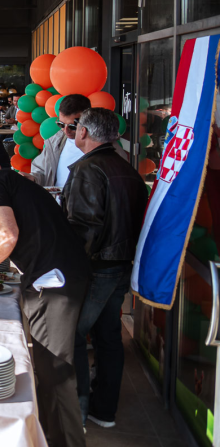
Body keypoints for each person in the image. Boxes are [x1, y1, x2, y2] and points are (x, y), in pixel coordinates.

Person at [0, 149, 89, 447]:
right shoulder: (18, 181)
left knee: (54, 374)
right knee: (52, 369)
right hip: (67, 274)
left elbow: (6, 234)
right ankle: (50, 440)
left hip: (54, 282)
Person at [62, 108, 148, 430]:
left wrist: (71, 269)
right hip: (121, 264)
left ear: (85, 132)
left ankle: (78, 413)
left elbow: (84, 227)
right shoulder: (127, 168)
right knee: (108, 335)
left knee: (73, 333)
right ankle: (104, 409)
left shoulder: (90, 168)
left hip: (98, 267)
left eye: (76, 127)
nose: (73, 131)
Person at [27, 94, 91, 189]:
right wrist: (32, 178)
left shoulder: (100, 144)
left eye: (72, 126)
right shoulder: (55, 141)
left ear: (87, 120)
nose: (65, 131)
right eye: (61, 124)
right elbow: (42, 171)